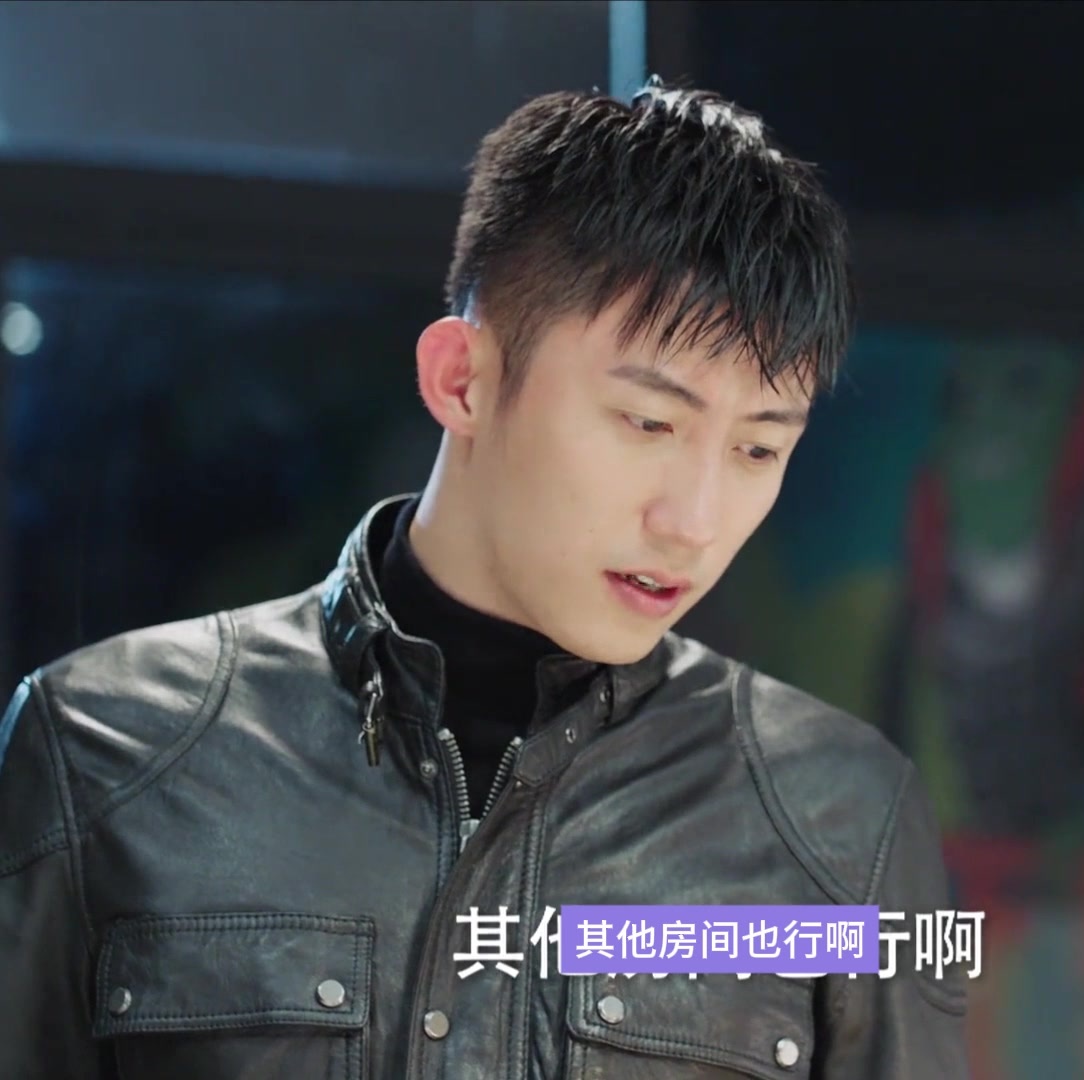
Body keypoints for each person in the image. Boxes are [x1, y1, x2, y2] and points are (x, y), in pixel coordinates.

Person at [0, 82, 969, 1078]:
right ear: (462, 379)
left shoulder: (837, 818)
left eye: (758, 449)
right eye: (649, 423)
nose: (695, 520)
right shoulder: (107, 749)